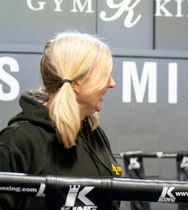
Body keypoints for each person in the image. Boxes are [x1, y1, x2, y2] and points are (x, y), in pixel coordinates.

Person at [0, 32, 121, 210]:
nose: (112, 83)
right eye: (104, 75)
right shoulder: (17, 142)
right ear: (77, 82)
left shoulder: (94, 132)